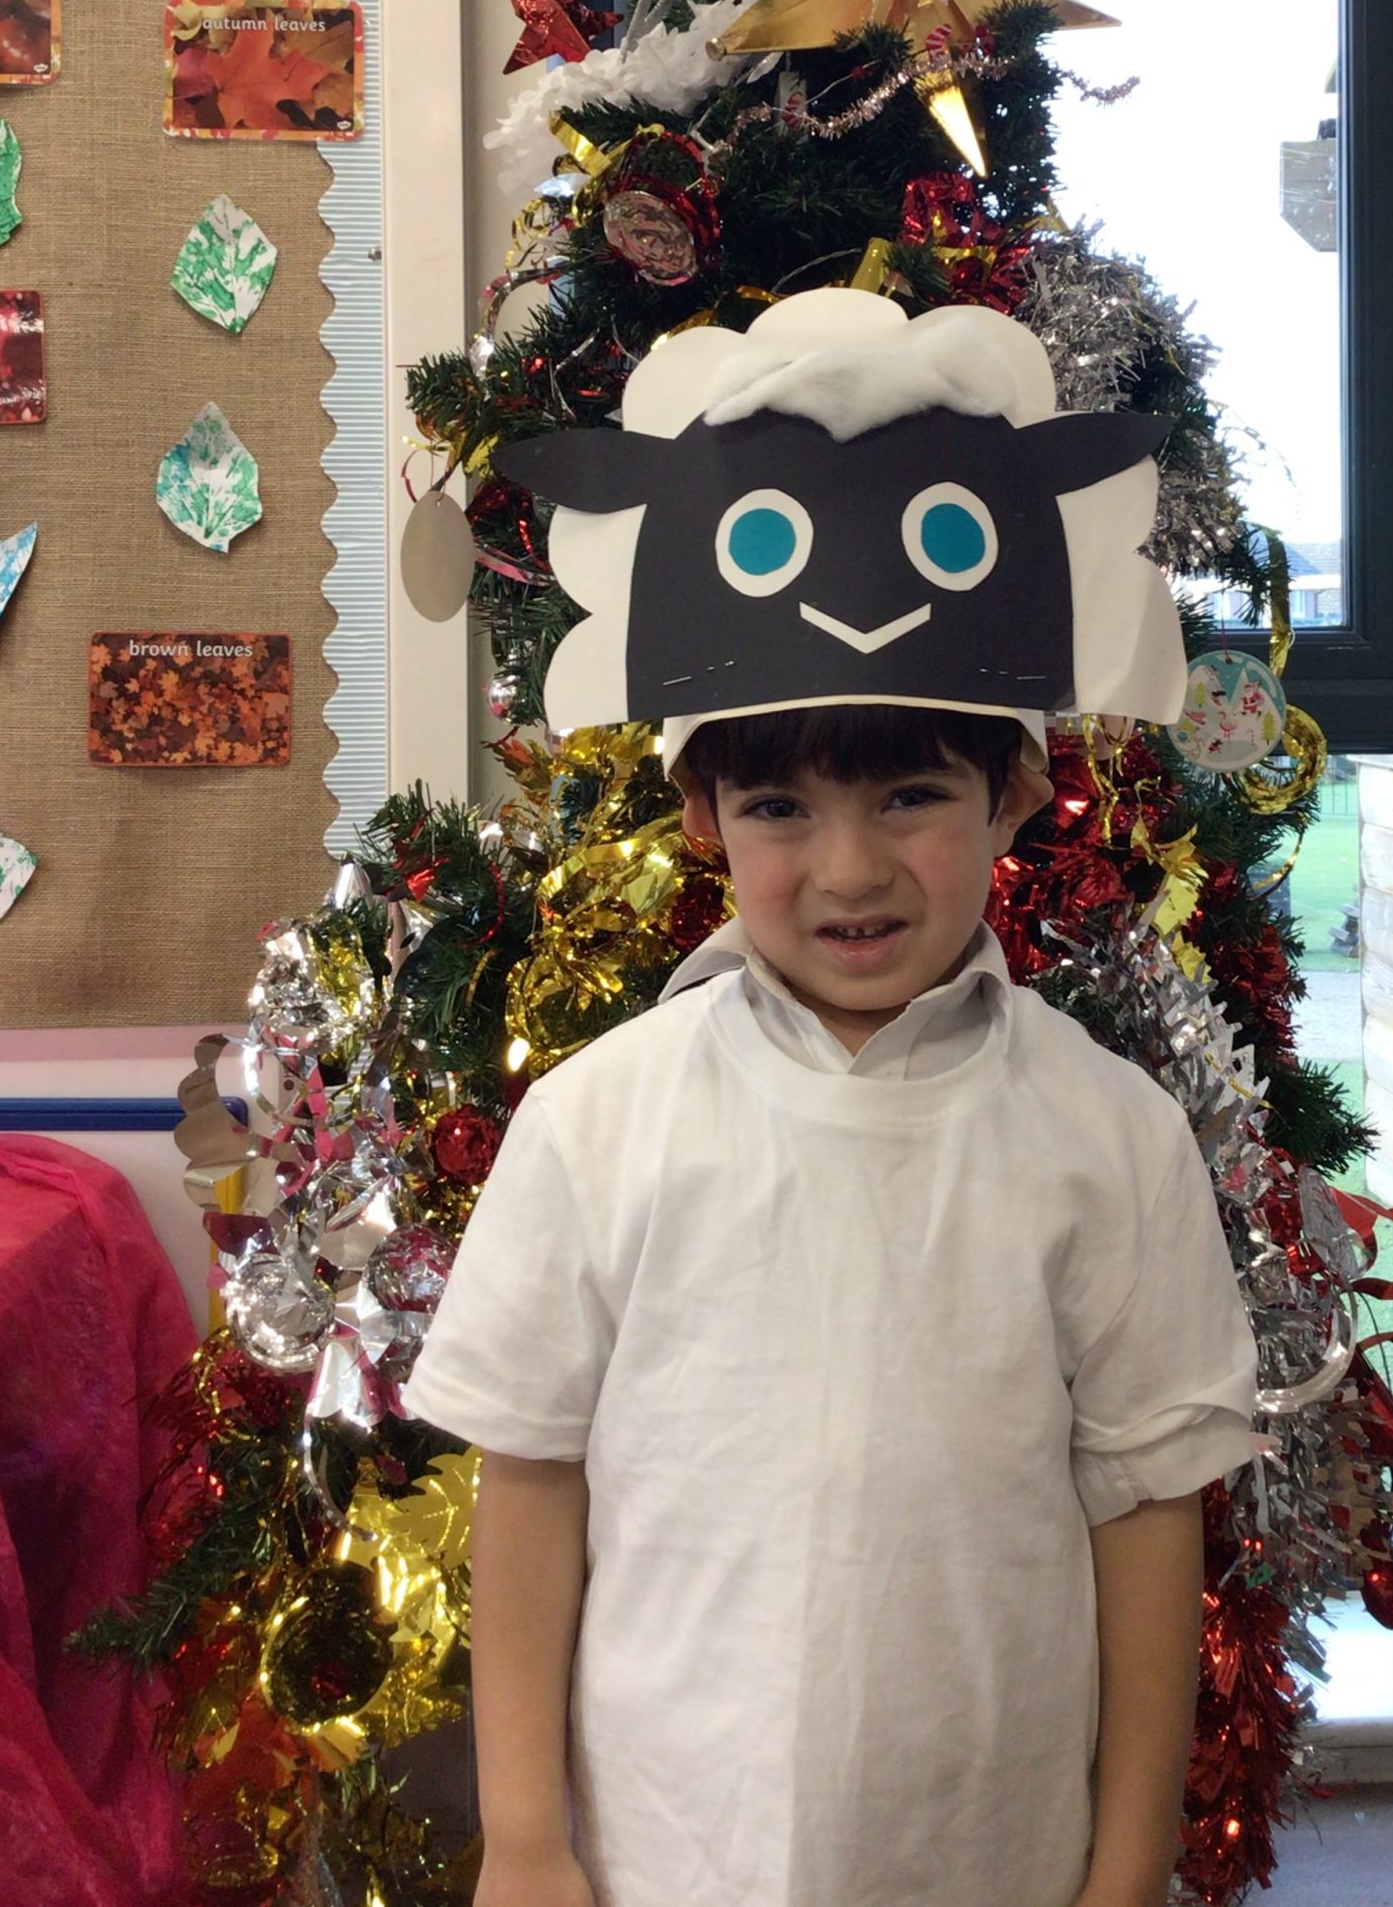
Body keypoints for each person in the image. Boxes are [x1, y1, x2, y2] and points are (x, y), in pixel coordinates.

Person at [401, 291, 1260, 1907]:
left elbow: (1150, 1520)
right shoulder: (597, 1125)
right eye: (781, 806)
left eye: (911, 794)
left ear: (1015, 788)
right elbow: (532, 1483)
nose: (850, 869)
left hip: (992, 1860)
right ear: (702, 813)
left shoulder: (1109, 1138)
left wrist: (1127, 1870)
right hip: (671, 1857)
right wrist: (525, 1837)